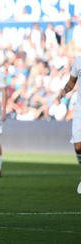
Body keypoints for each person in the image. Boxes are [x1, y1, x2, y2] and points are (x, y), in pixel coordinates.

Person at [57, 55, 81, 194]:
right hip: (79, 110)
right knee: (78, 147)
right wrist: (64, 90)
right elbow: (72, 82)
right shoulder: (78, 60)